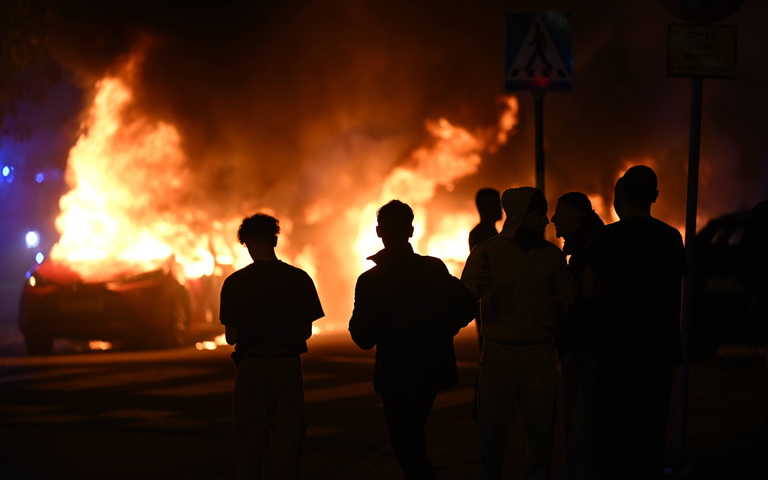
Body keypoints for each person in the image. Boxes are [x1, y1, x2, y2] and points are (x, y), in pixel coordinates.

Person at [349, 199, 477, 480]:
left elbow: (363, 337)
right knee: (414, 439)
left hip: (396, 374)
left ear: (379, 232)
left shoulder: (371, 280)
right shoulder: (432, 268)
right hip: (431, 370)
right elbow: (468, 304)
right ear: (411, 231)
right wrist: (443, 329)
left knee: (406, 447)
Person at [461, 187, 577, 480]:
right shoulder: (486, 253)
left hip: (539, 354)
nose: (546, 221)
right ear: (520, 216)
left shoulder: (552, 257)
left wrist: (560, 305)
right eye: (539, 214)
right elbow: (460, 305)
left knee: (541, 430)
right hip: (498, 354)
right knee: (491, 431)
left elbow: (570, 299)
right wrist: (477, 292)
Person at [585, 166, 686, 480]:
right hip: (657, 349)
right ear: (654, 196)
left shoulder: (605, 238)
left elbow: (588, 290)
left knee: (611, 433)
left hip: (615, 348)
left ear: (621, 196)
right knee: (650, 432)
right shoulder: (671, 238)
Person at [220, 213, 325, 480]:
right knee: (288, 441)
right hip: (287, 366)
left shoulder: (234, 283)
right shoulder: (299, 279)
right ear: (275, 240)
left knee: (248, 443)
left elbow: (231, 337)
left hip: (250, 368)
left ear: (246, 244)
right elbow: (306, 331)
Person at [551, 192, 604, 480]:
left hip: (583, 345)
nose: (553, 219)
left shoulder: (587, 248)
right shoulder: (586, 243)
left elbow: (590, 292)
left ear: (577, 216)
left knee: (580, 418)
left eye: (559, 212)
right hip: (584, 344)